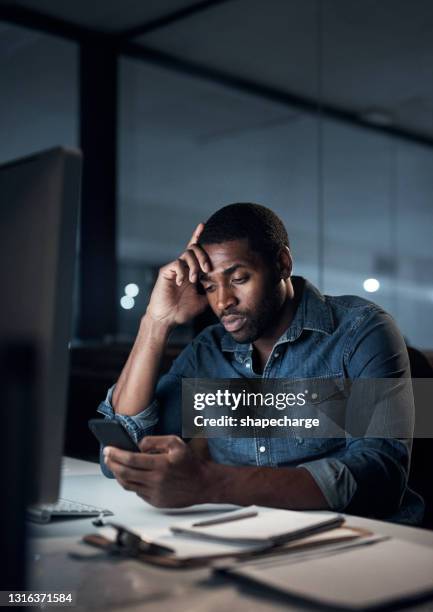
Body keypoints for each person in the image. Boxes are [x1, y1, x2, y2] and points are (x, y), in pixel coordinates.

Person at [98, 203, 423, 523]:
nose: (223, 301)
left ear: (282, 263)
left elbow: (381, 476)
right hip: (251, 537)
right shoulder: (209, 352)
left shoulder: (361, 331)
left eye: (238, 279)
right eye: (209, 286)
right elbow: (122, 455)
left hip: (364, 542)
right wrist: (157, 322)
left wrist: (211, 483)